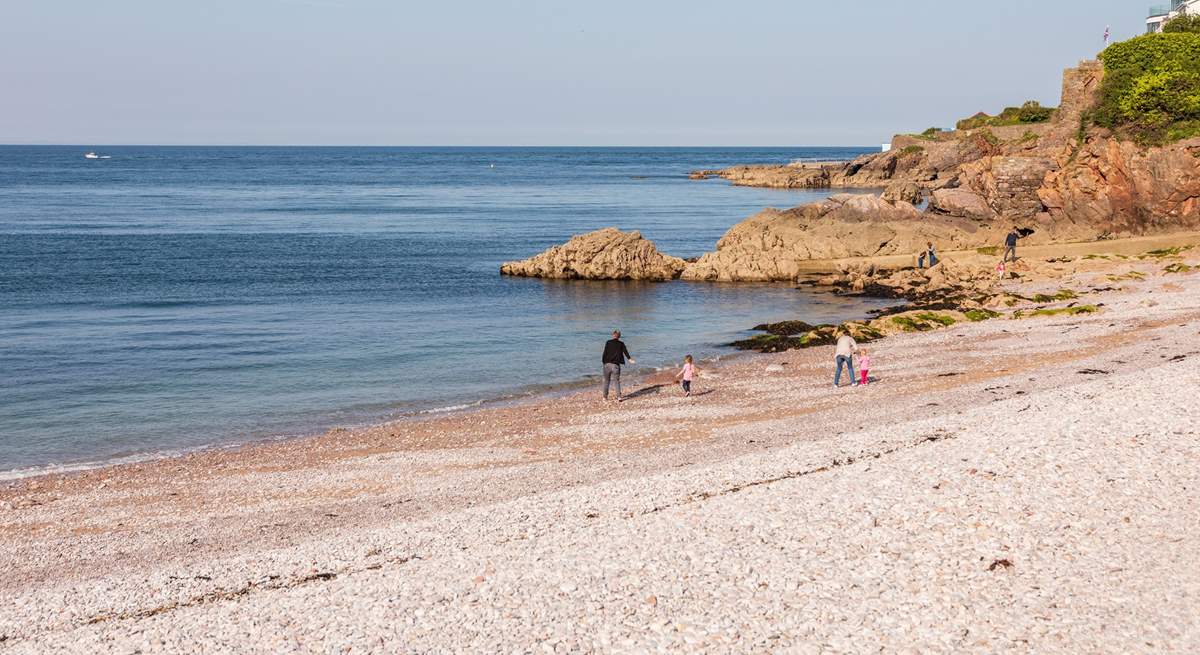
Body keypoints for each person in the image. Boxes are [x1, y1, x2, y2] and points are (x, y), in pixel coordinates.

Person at [601, 330, 635, 401]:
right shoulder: (621, 344)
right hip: (616, 365)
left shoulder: (608, 342)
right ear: (619, 336)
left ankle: (605, 397)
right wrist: (629, 359)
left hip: (607, 365)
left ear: (613, 335)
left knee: (606, 381)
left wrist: (604, 362)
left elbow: (605, 353)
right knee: (616, 381)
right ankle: (619, 397)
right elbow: (625, 352)